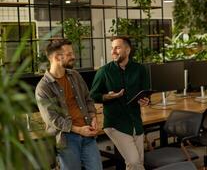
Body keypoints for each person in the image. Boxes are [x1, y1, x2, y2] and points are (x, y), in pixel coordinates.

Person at [35, 39, 103, 170]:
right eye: (69, 54)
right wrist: (78, 130)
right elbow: (53, 119)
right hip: (66, 139)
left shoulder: (75, 75)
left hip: (88, 133)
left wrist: (93, 117)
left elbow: (87, 99)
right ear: (56, 57)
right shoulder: (43, 87)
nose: (74, 57)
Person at [90, 37, 150, 170]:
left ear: (127, 50)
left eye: (117, 48)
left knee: (137, 162)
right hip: (115, 124)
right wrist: (108, 96)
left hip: (136, 122)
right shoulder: (104, 71)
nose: (113, 51)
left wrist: (146, 100)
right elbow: (92, 96)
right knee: (134, 162)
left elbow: (145, 92)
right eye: (112, 48)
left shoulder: (140, 69)